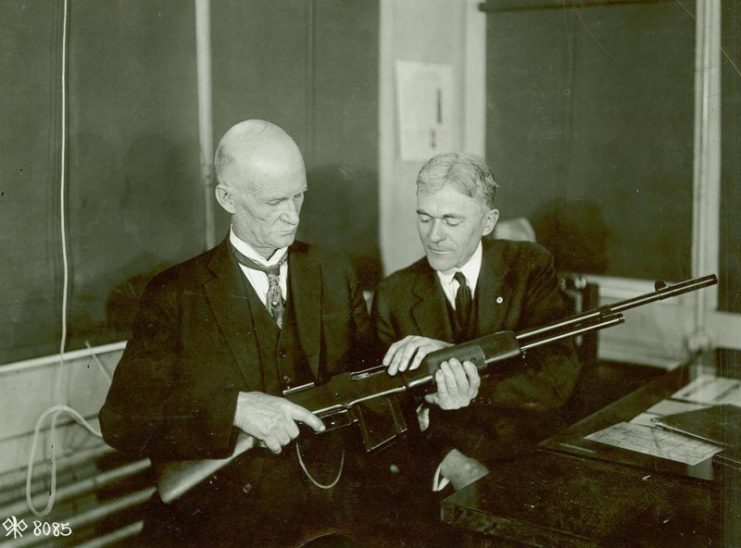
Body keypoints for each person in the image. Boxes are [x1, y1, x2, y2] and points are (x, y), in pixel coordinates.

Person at [100, 120, 385, 546]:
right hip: (224, 524)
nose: (293, 215)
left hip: (325, 514)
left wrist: (421, 366)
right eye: (274, 201)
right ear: (227, 198)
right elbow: (122, 419)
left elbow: (371, 379)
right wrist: (233, 409)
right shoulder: (175, 293)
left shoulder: (334, 271)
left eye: (299, 195)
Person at [372, 152, 581, 492]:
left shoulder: (529, 267)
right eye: (424, 219)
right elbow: (385, 414)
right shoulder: (393, 294)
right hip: (444, 470)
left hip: (530, 459)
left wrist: (463, 370)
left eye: (451, 221)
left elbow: (557, 377)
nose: (433, 236)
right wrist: (453, 464)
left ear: (488, 221)